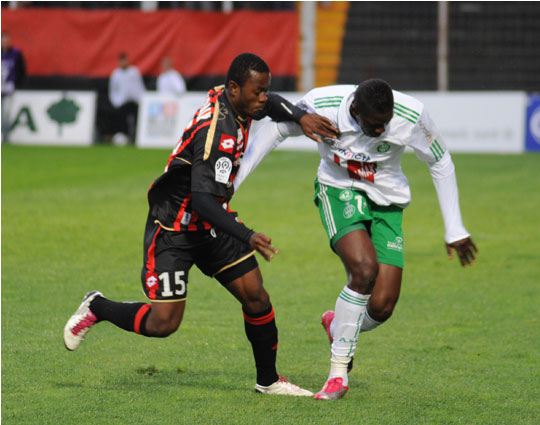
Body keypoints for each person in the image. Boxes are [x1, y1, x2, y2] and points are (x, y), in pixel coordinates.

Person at [63, 53, 340, 396]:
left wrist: (301, 116)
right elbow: (203, 202)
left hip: (208, 225)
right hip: (174, 228)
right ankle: (97, 306)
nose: (263, 98)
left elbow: (271, 105)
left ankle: (268, 381)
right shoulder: (217, 132)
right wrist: (247, 234)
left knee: (256, 296)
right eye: (257, 92)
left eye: (264, 90)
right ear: (236, 89)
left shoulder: (237, 99)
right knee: (164, 324)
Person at [234, 79, 478, 400]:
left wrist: (455, 228)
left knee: (382, 306)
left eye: (385, 124)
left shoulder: (411, 115)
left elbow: (440, 160)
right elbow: (276, 129)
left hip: (387, 202)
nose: (381, 131)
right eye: (374, 125)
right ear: (354, 111)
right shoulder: (324, 105)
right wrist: (232, 186)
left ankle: (337, 326)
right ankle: (338, 374)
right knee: (364, 270)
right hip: (338, 189)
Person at [108, 52, 146, 143]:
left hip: (135, 101)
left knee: (137, 121)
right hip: (122, 103)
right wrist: (116, 102)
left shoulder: (134, 71)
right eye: (121, 61)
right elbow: (112, 90)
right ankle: (124, 138)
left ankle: (135, 139)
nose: (123, 63)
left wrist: (142, 98)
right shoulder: (116, 74)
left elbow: (140, 86)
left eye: (125, 60)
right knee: (122, 122)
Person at [1, 31, 26, 143]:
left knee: (6, 113)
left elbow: (21, 70)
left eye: (6, 40)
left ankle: (5, 137)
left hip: (9, 89)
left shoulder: (15, 54)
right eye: (3, 40)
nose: (4, 42)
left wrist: (17, 84)